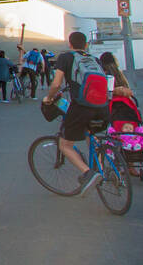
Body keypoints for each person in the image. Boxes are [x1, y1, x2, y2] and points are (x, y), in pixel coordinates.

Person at [41, 31, 106, 194]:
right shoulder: (94, 59)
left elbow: (56, 84)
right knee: (91, 136)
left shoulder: (66, 58)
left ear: (70, 44)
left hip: (81, 106)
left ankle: (88, 173)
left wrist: (49, 98)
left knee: (65, 144)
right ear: (85, 45)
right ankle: (102, 170)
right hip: (103, 107)